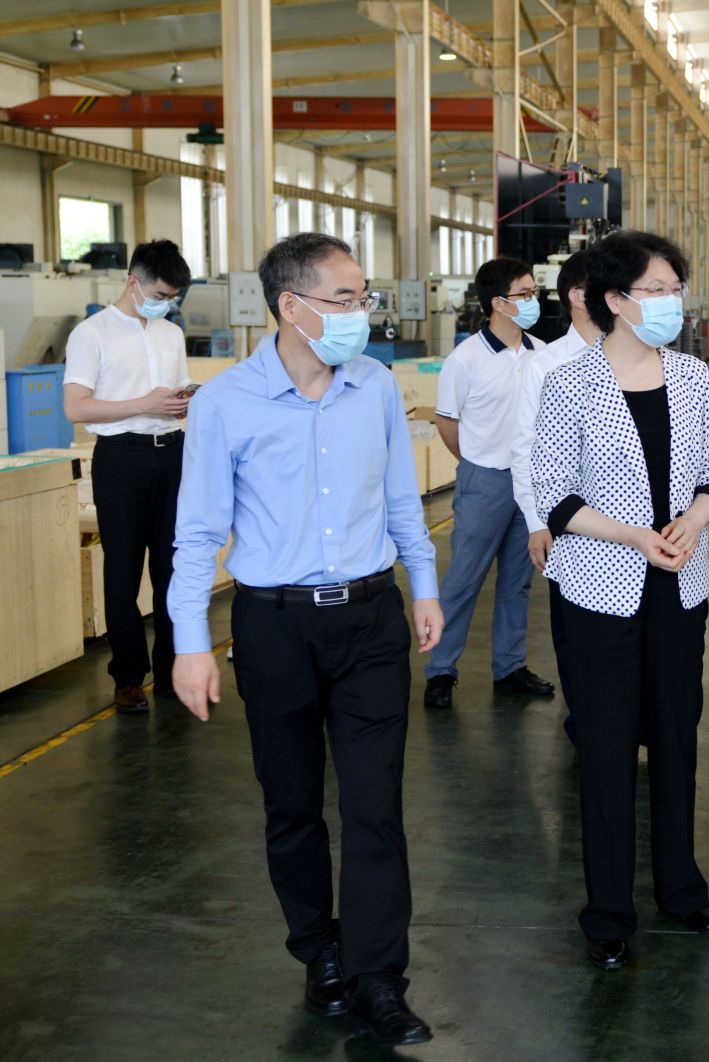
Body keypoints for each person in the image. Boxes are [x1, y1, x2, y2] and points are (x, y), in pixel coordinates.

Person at [168, 233, 441, 1046]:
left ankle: (378, 977)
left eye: (364, 298)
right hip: (273, 625)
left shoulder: (376, 386)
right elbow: (198, 532)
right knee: (290, 804)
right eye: (345, 300)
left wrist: (425, 588)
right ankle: (318, 950)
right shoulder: (225, 403)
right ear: (291, 307)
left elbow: (401, 499)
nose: (363, 313)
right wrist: (189, 641)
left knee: (374, 805)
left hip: (370, 619)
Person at [532, 231, 709, 971]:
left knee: (677, 736)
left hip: (680, 586)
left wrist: (695, 520)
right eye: (656, 290)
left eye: (676, 288)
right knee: (607, 746)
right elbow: (555, 498)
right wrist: (635, 536)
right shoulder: (570, 384)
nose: (672, 302)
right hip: (599, 590)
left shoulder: (691, 376)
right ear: (615, 300)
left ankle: (682, 888)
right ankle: (609, 910)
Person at [62, 239, 193, 714]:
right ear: (133, 282)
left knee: (173, 569)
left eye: (173, 298)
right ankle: (129, 678)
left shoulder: (170, 334)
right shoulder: (91, 334)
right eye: (160, 295)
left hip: (171, 454)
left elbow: (172, 395)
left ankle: (173, 672)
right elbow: (76, 407)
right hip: (121, 459)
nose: (166, 304)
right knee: (123, 571)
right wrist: (145, 404)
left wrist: (179, 404)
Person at [422, 257, 556, 710]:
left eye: (534, 293)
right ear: (498, 303)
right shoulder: (466, 359)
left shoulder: (542, 353)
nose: (533, 301)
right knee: (463, 580)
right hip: (485, 481)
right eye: (525, 294)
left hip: (529, 485)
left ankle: (510, 666)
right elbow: (446, 421)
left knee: (519, 582)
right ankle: (441, 670)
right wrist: (475, 463)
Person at [511, 250, 598, 731]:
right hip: (567, 526)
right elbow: (524, 448)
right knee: (575, 634)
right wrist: (536, 522)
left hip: (631, 528)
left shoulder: (638, 358)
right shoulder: (545, 365)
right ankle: (584, 725)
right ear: (579, 296)